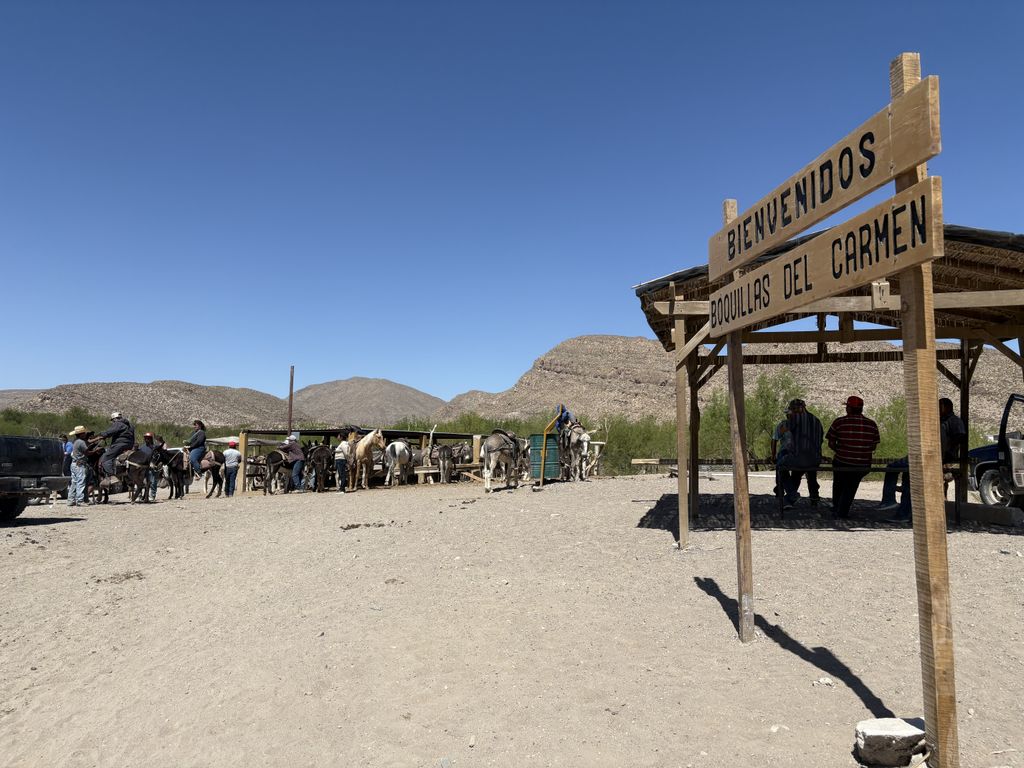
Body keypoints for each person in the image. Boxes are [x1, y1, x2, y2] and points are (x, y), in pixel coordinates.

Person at [878, 398, 967, 521]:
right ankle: (904, 513)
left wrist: (946, 449)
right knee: (907, 477)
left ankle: (890, 501)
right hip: (927, 455)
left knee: (895, 468)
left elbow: (960, 436)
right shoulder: (939, 421)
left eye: (939, 406)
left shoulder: (953, 421)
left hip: (934, 457)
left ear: (945, 407)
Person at [826, 395, 880, 519]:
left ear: (849, 408)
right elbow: (873, 446)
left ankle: (837, 508)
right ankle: (842, 510)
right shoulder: (871, 425)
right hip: (863, 464)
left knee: (839, 483)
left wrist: (840, 451)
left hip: (842, 462)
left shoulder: (839, 422)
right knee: (851, 486)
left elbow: (831, 443)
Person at [96, 411, 135, 484]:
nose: (113, 422)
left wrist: (102, 435)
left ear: (114, 419)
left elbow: (110, 432)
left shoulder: (118, 423)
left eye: (112, 420)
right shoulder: (131, 425)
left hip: (119, 444)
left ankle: (112, 476)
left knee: (105, 459)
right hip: (130, 444)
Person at [67, 425, 90, 506]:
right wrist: (96, 450)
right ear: (81, 434)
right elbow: (87, 452)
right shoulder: (81, 442)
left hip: (74, 464)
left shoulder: (75, 441)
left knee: (74, 482)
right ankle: (80, 501)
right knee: (81, 482)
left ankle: (70, 500)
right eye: (84, 433)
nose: (85, 434)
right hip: (80, 464)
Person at [136, 432, 159, 501]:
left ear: (151, 439)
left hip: (151, 466)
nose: (147, 439)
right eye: (145, 438)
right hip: (143, 467)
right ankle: (139, 495)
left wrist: (153, 463)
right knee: (139, 481)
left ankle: (152, 495)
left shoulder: (155, 447)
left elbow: (157, 456)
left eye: (148, 438)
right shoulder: (142, 448)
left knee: (152, 481)